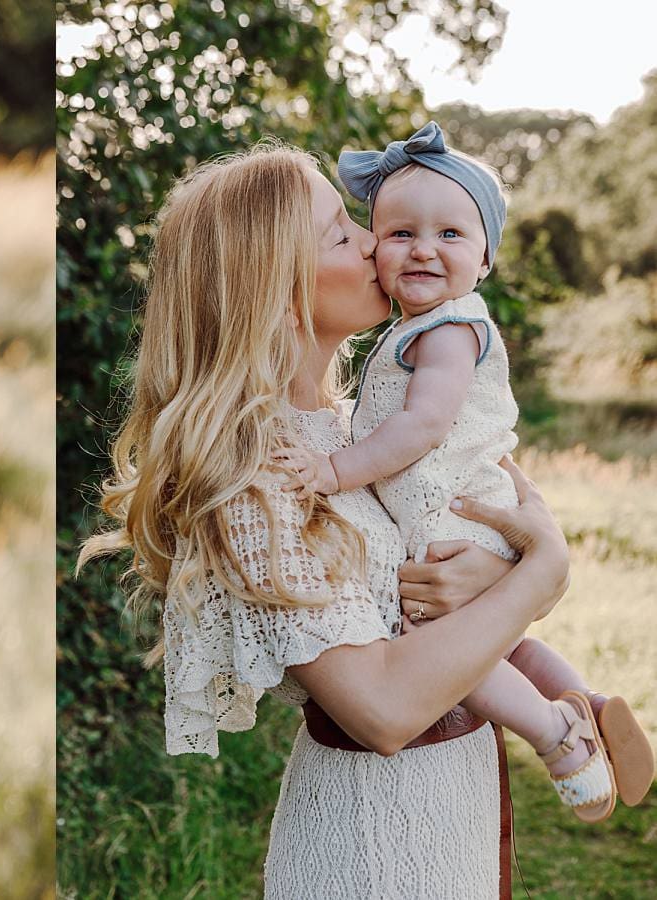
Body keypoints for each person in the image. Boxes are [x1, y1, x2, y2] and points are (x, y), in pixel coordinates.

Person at [82, 142, 573, 898]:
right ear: (277, 293)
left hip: (454, 810)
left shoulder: (351, 434)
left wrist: (496, 574)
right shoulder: (251, 475)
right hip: (371, 848)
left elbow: (496, 532)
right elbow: (381, 710)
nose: (377, 241)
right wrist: (538, 578)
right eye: (342, 234)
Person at [273, 122, 653, 822]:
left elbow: (422, 427)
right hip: (462, 509)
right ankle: (589, 706)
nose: (422, 248)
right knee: (502, 642)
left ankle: (556, 733)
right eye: (399, 233)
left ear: (484, 261)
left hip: (453, 511)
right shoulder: (416, 331)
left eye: (450, 234)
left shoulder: (446, 330)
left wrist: (333, 470)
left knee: (436, 643)